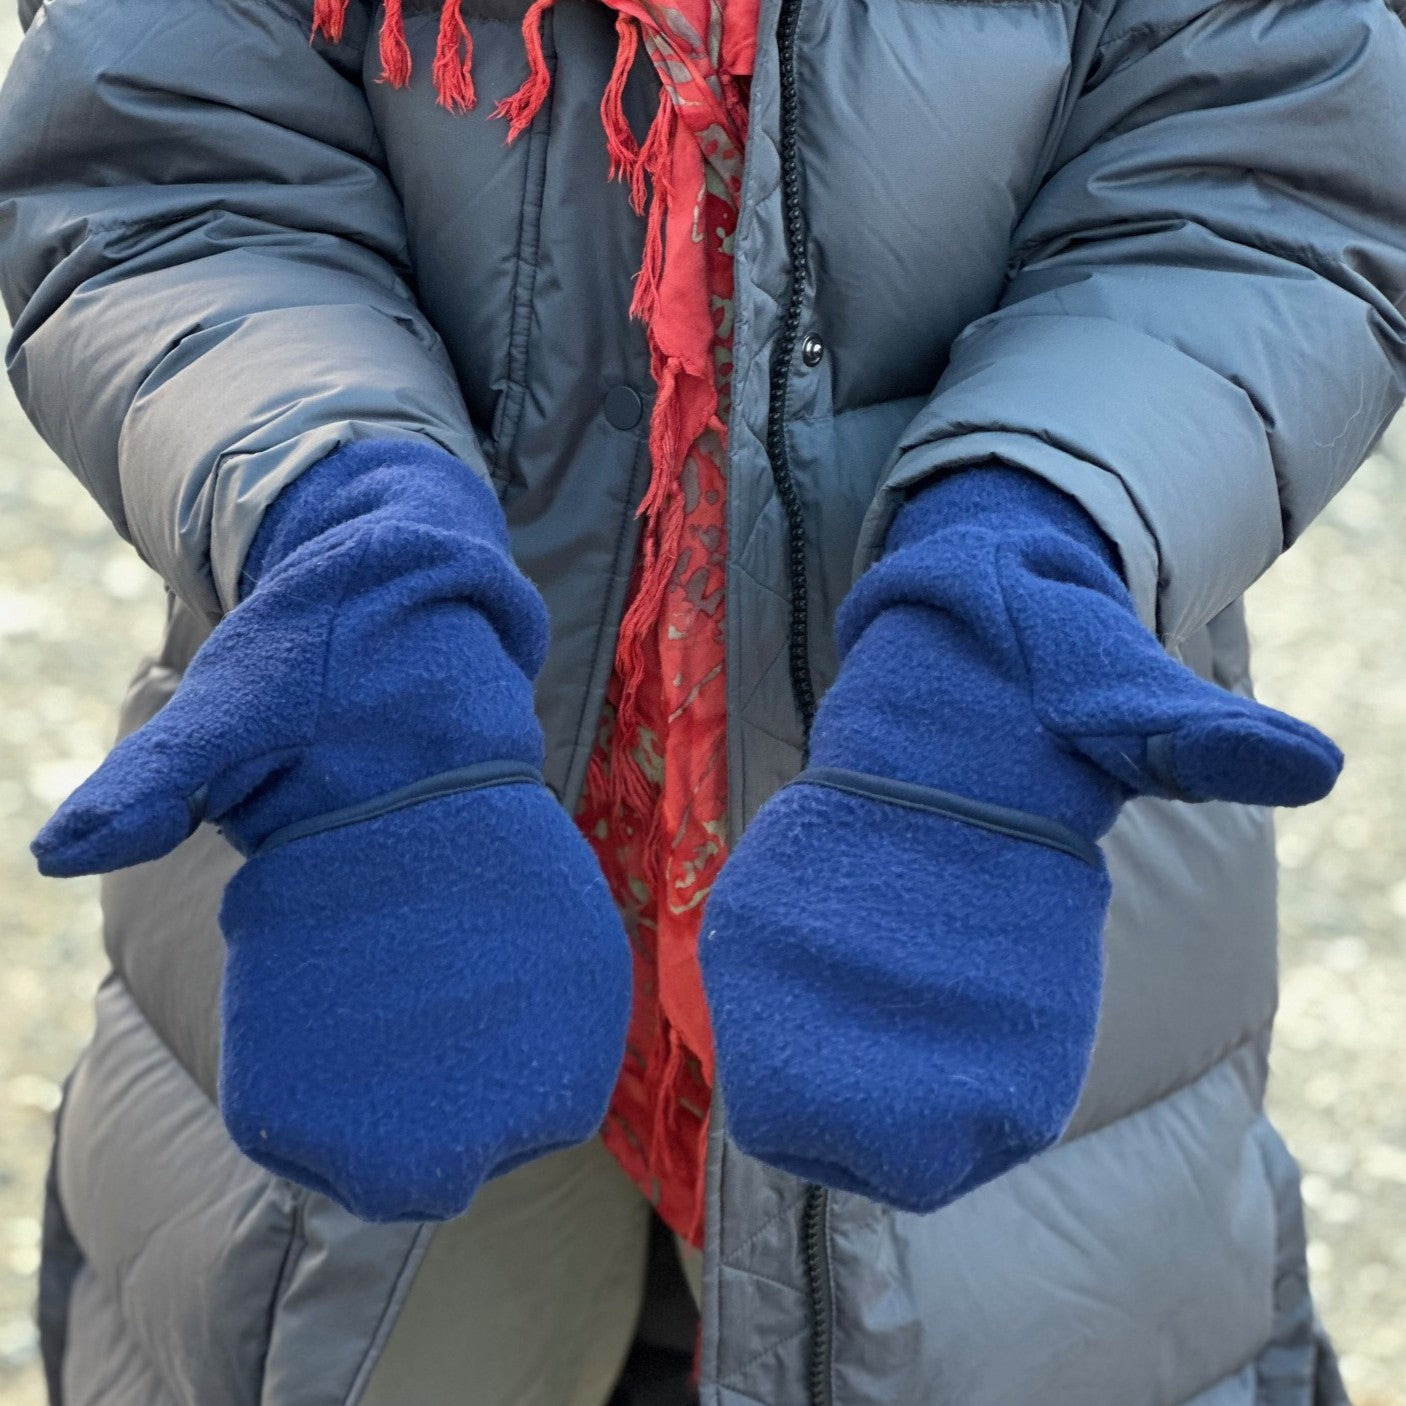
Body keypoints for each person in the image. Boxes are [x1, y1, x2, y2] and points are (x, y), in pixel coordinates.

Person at [2, 0, 1404, 1400]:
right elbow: (167, 163)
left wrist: (1024, 556)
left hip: (979, 825)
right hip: (371, 818)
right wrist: (344, 536)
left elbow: (1263, 169)